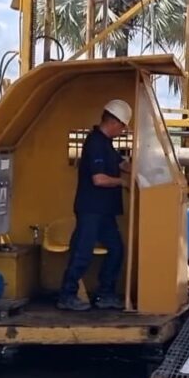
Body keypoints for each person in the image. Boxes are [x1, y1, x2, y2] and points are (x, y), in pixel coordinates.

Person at [58, 100, 132, 312]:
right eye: (123, 126)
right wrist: (124, 182)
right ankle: (67, 294)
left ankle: (105, 294)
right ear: (115, 122)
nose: (123, 130)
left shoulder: (106, 144)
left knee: (116, 249)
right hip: (91, 209)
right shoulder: (95, 143)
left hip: (104, 211)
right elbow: (98, 179)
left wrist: (138, 167)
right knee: (82, 252)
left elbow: (120, 163)